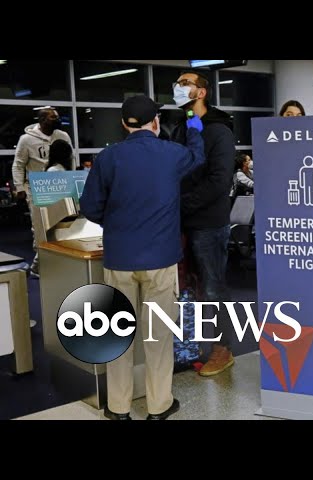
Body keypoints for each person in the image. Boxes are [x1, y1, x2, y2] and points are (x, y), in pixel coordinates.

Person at [80, 95, 205, 420]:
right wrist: (192, 118)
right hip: (160, 260)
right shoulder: (172, 154)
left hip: (119, 260)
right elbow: (198, 154)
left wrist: (117, 223)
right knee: (158, 337)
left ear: (124, 124)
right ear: (156, 122)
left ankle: (118, 408)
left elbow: (90, 207)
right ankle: (158, 406)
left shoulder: (108, 157)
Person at [170, 70, 237, 377]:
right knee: (186, 289)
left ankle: (222, 349)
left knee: (213, 289)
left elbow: (219, 181)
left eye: (185, 83)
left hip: (208, 222)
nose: (178, 87)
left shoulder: (219, 130)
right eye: (177, 83)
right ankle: (187, 348)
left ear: (201, 93)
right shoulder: (181, 127)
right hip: (181, 222)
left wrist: (183, 204)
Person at [12, 108, 73, 277]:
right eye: (53, 117)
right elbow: (18, 164)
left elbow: (71, 157)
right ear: (42, 120)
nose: (58, 120)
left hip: (60, 185)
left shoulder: (63, 136)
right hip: (37, 188)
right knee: (40, 228)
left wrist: (73, 180)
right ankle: (39, 266)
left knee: (62, 226)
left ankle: (48, 263)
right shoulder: (26, 139)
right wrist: (19, 187)